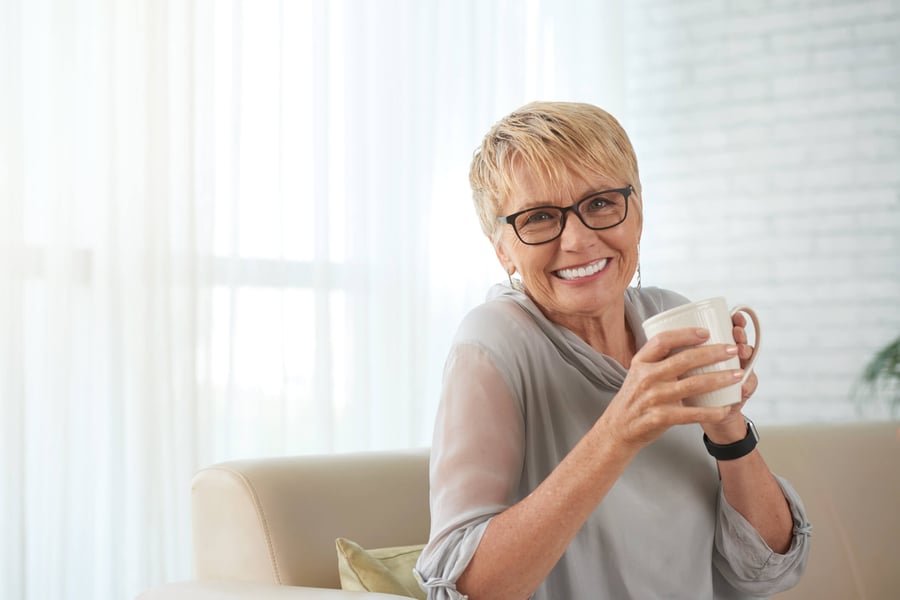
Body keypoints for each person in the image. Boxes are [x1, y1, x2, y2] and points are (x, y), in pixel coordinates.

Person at [413, 102, 811, 599]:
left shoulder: (668, 316)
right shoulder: (492, 342)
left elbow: (770, 569)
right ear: (503, 249)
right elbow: (467, 589)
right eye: (539, 217)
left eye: (600, 203)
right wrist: (619, 430)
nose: (578, 240)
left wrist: (727, 427)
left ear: (637, 214)